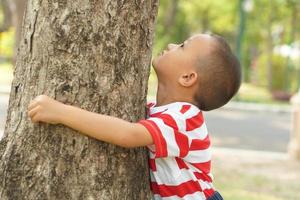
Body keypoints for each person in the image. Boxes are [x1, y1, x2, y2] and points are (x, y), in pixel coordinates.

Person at [27, 33, 241, 200]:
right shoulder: (159, 112)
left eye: (183, 46)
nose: (172, 46)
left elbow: (128, 134)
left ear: (187, 77)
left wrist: (60, 112)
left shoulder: (185, 118)